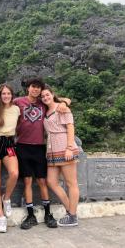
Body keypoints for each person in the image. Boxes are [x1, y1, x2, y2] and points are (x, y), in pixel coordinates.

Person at [14, 77, 70, 230]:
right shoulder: (18, 101)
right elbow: (2, 105)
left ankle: (47, 214)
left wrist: (64, 103)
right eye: (33, 86)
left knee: (42, 182)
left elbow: (63, 100)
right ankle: (30, 215)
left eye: (39, 87)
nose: (36, 89)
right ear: (28, 88)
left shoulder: (43, 103)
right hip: (22, 147)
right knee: (27, 181)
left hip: (39, 147)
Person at [41, 85, 80, 227]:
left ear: (52, 94)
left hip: (64, 147)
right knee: (51, 181)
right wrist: (64, 100)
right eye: (43, 96)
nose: (45, 97)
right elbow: (64, 99)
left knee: (71, 183)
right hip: (52, 150)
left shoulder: (61, 108)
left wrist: (69, 147)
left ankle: (72, 215)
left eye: (47, 95)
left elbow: (70, 127)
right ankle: (71, 210)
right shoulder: (46, 110)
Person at [0, 84, 20, 233]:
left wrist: (64, 101)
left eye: (8, 93)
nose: (6, 96)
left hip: (9, 144)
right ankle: (1, 218)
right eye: (3, 93)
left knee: (14, 173)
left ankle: (6, 198)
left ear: (12, 95)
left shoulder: (16, 108)